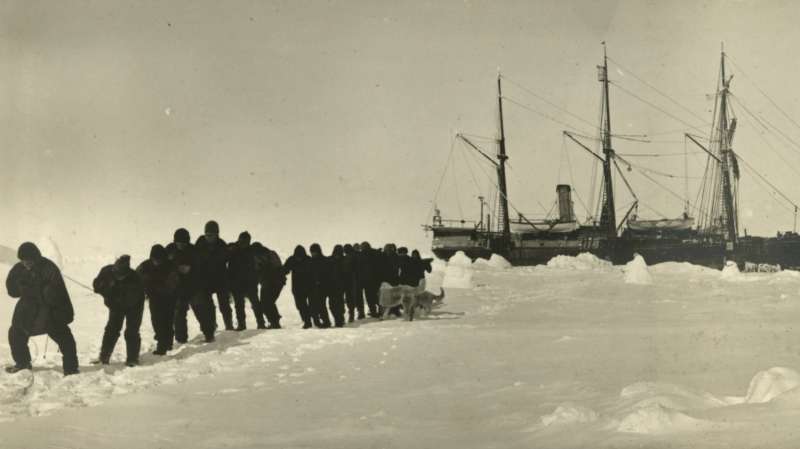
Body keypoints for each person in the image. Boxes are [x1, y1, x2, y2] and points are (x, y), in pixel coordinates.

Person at [4, 242, 79, 375]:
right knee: (16, 333)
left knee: (64, 337)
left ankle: (71, 368)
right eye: (22, 260)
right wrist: (19, 285)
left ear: (35, 257)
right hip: (28, 312)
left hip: (51, 311)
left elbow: (54, 295)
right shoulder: (19, 268)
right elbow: (12, 291)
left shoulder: (49, 268)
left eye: (28, 260)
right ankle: (23, 363)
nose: (25, 263)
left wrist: (33, 288)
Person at [92, 255, 146, 366]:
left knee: (131, 331)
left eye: (121, 276)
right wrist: (102, 287)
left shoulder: (135, 279)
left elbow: (129, 301)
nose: (118, 277)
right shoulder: (106, 271)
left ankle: (132, 359)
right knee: (111, 329)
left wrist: (111, 296)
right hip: (116, 305)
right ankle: (104, 357)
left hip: (134, 306)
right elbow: (96, 285)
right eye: (117, 274)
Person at [169, 228, 216, 343]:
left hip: (194, 287)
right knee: (179, 313)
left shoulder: (194, 251)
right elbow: (165, 265)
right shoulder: (170, 250)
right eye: (178, 242)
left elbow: (202, 269)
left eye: (183, 243)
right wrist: (176, 268)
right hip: (178, 288)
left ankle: (209, 334)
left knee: (201, 311)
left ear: (187, 241)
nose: (180, 245)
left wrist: (190, 270)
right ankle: (181, 339)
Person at [137, 244, 180, 355]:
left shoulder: (171, 266)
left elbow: (172, 285)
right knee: (156, 320)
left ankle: (164, 344)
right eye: (154, 259)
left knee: (167, 320)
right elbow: (135, 277)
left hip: (169, 298)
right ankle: (164, 343)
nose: (157, 262)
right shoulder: (145, 265)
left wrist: (153, 286)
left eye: (159, 259)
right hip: (154, 298)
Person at [195, 220, 231, 330]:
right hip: (205, 281)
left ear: (217, 235)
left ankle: (228, 325)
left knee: (224, 305)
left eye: (211, 235)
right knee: (208, 306)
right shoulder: (199, 244)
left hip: (220, 279)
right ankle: (212, 325)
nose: (209, 237)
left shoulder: (222, 245)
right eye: (207, 234)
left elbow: (227, 259)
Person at [227, 231, 265, 330]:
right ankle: (246, 324)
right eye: (243, 241)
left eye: (246, 241)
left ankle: (258, 323)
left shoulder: (241, 249)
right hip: (240, 282)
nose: (244, 243)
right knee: (243, 305)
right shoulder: (234, 249)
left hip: (248, 282)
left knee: (251, 304)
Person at [252, 242, 285, 329]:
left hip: (268, 282)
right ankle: (275, 321)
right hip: (278, 281)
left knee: (265, 303)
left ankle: (274, 322)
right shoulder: (271, 253)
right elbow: (279, 267)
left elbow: (258, 270)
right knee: (269, 302)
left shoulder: (258, 256)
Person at [283, 245, 313, 329]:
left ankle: (308, 321)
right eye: (297, 257)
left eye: (300, 257)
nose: (298, 258)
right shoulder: (292, 259)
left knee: (310, 305)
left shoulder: (308, 260)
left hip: (308, 286)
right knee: (300, 305)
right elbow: (285, 270)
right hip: (297, 287)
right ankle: (306, 320)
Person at [308, 243, 332, 328]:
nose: (313, 253)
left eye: (314, 252)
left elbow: (327, 274)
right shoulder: (312, 261)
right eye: (312, 252)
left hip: (322, 287)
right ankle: (319, 322)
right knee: (315, 306)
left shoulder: (323, 261)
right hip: (314, 287)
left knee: (321, 305)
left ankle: (326, 322)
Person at [356, 241, 380, 318]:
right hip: (371, 279)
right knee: (371, 296)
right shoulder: (374, 253)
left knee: (367, 297)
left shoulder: (360, 254)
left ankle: (364, 312)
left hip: (363, 279)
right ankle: (373, 311)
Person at [327, 245, 347, 327]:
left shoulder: (343, 260)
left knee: (337, 304)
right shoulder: (330, 260)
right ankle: (339, 319)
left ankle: (339, 320)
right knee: (334, 305)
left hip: (339, 286)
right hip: (333, 286)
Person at [341, 244, 360, 323]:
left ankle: (350, 315)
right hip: (352, 280)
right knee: (351, 298)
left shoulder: (346, 258)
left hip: (347, 281)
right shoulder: (355, 257)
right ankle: (351, 314)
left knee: (348, 299)